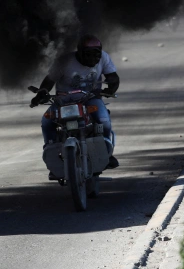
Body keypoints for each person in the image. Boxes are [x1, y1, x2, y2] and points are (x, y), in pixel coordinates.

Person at [30, 34, 120, 168]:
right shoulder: (64, 61)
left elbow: (113, 77)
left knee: (103, 119)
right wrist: (41, 94)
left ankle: (107, 153)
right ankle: (51, 150)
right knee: (47, 121)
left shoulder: (104, 58)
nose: (93, 58)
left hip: (91, 98)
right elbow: (49, 80)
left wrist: (111, 88)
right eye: (88, 54)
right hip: (63, 101)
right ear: (79, 52)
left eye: (96, 54)